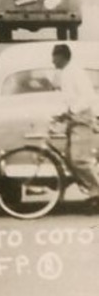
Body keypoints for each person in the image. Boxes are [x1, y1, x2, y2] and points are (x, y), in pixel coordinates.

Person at [52, 43, 99, 210]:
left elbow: (87, 96)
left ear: (62, 57)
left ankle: (96, 191)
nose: (53, 61)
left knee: (79, 159)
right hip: (75, 118)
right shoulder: (66, 73)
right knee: (69, 158)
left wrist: (71, 110)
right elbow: (69, 99)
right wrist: (62, 113)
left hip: (83, 118)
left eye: (54, 57)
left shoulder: (75, 73)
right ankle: (92, 191)